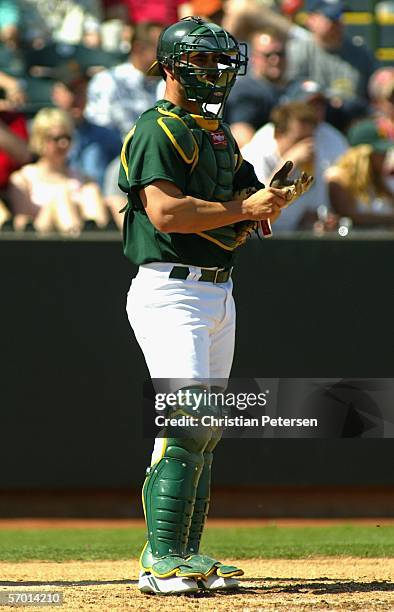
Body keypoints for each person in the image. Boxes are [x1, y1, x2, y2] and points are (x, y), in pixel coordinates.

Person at [118, 16, 312, 595]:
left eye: (221, 60)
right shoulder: (159, 127)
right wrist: (246, 210)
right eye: (203, 61)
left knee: (206, 428)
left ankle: (187, 554)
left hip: (216, 288)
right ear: (172, 67)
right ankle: (161, 561)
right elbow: (167, 214)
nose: (217, 71)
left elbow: (241, 199)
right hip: (170, 287)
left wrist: (267, 202)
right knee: (188, 420)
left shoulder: (216, 130)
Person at [8, 107, 109, 233]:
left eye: (67, 138)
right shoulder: (23, 179)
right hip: (43, 241)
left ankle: (96, 238)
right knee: (62, 198)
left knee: (91, 191)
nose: (63, 144)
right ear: (40, 139)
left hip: (83, 233)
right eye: (56, 139)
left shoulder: (84, 178)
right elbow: (23, 223)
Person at [242, 100, 329, 231]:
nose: (306, 146)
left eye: (309, 138)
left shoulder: (310, 162)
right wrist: (290, 160)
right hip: (252, 239)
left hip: (288, 240)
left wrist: (317, 224)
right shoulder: (254, 154)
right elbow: (258, 202)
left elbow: (308, 214)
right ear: (278, 134)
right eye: (299, 139)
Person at [84, 21, 163, 137]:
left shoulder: (166, 83)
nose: (168, 55)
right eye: (160, 48)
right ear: (138, 48)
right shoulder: (107, 81)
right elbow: (100, 130)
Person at [51, 63, 122, 189]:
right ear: (56, 94)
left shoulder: (106, 137)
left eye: (82, 91)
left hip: (99, 203)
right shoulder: (41, 134)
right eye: (72, 91)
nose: (77, 99)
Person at [224, 27, 289, 147]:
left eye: (280, 54)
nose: (276, 60)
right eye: (268, 55)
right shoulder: (246, 90)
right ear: (254, 57)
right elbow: (241, 134)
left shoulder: (294, 86)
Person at [325, 120, 394, 228]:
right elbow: (353, 217)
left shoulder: (378, 178)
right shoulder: (337, 177)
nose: (385, 156)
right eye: (380, 152)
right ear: (363, 154)